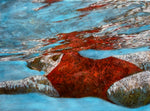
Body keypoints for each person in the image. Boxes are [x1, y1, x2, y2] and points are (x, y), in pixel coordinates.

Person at [0, 51, 150, 108]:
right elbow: (11, 86)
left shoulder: (62, 51)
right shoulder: (44, 82)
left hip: (118, 63)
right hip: (115, 89)